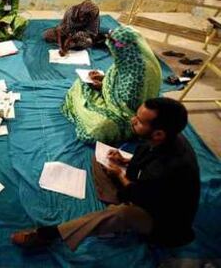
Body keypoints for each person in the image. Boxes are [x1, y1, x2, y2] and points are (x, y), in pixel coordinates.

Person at [12, 98, 200, 250]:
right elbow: (147, 156)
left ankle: (50, 234)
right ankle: (113, 202)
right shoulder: (165, 138)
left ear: (158, 134)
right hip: (147, 190)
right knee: (102, 158)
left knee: (122, 214)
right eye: (136, 115)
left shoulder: (170, 168)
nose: (133, 120)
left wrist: (119, 175)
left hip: (162, 222)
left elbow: (139, 193)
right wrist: (124, 161)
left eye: (140, 121)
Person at [62, 25, 162, 144]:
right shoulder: (133, 57)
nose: (113, 52)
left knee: (100, 128)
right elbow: (118, 79)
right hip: (129, 108)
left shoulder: (138, 74)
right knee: (82, 82)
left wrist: (101, 86)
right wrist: (104, 79)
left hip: (133, 116)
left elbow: (124, 106)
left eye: (115, 48)